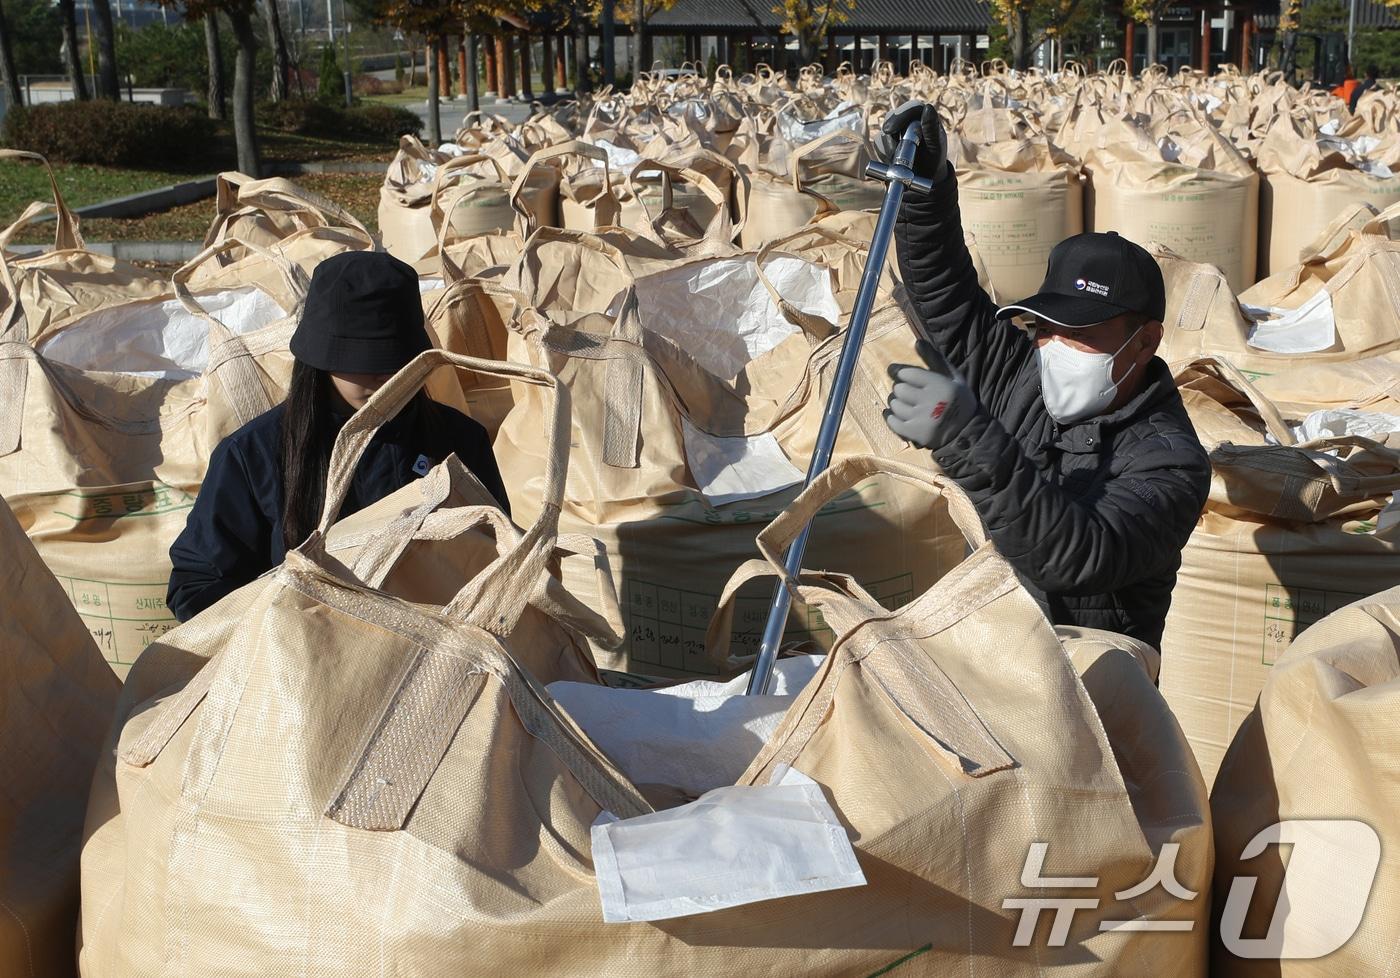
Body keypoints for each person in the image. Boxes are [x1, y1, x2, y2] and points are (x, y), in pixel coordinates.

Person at [877, 102, 1210, 649]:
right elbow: (947, 297)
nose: (1055, 346)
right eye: (1047, 326)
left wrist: (966, 437)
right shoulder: (1022, 375)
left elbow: (1079, 556)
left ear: (1145, 341)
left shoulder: (1170, 461)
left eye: (1082, 332)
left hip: (1096, 688)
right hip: (990, 653)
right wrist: (925, 192)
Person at [168, 251, 508, 622]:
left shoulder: (458, 440)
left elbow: (498, 558)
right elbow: (196, 585)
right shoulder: (254, 455)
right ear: (320, 360)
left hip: (439, 656)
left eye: (397, 360)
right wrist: (284, 622)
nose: (384, 376)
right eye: (364, 361)